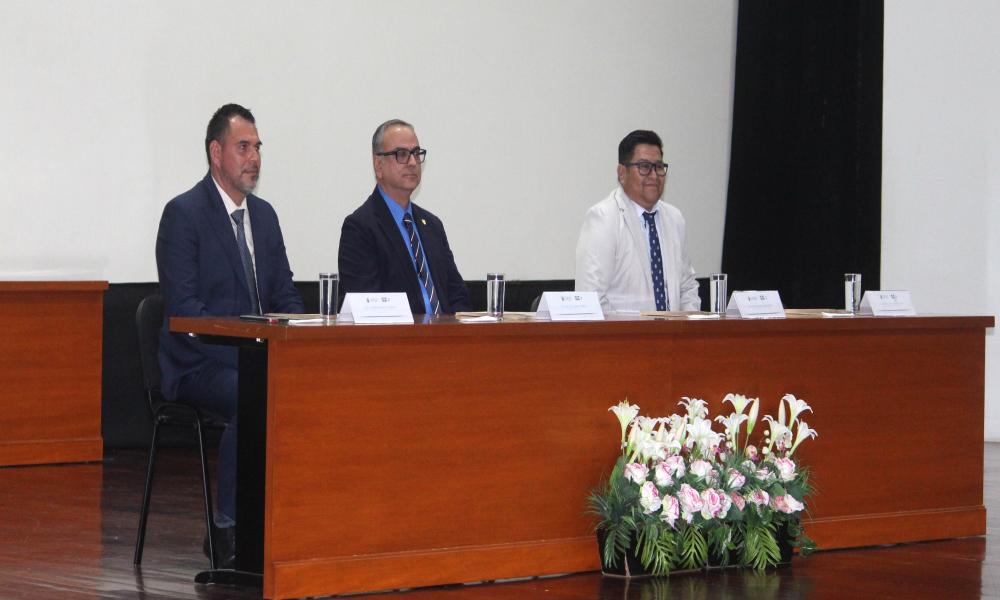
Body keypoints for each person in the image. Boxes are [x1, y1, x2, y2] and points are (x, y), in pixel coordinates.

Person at [155, 103, 303, 568]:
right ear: (216, 153)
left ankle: (295, 522)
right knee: (255, 395)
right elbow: (186, 312)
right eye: (243, 147)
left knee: (310, 390)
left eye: (258, 147)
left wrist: (299, 341)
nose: (254, 157)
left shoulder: (266, 216)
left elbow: (285, 294)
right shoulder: (184, 214)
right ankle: (228, 530)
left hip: (258, 355)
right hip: (199, 363)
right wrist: (252, 353)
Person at [339, 119, 470, 314]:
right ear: (378, 165)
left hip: (445, 339)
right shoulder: (360, 228)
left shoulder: (432, 225)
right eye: (401, 154)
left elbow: (457, 295)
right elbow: (367, 309)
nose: (412, 162)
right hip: (398, 341)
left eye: (416, 154)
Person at [575, 130, 701, 313]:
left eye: (658, 167)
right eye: (644, 167)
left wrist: (685, 332)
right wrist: (638, 336)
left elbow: (687, 287)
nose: (654, 175)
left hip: (673, 338)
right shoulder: (603, 218)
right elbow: (591, 298)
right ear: (621, 173)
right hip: (623, 339)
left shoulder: (674, 219)